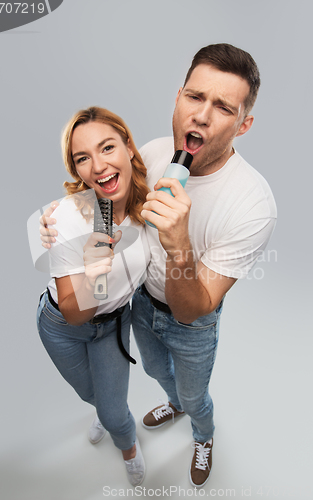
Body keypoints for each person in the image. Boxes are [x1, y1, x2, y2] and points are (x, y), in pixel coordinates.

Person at [40, 43, 277, 488]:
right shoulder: (149, 153)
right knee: (153, 371)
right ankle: (175, 402)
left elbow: (195, 308)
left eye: (222, 107)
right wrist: (58, 221)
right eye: (194, 96)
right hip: (139, 308)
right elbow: (105, 201)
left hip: (192, 324)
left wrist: (180, 247)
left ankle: (202, 433)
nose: (201, 116)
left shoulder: (253, 205)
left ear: (243, 124)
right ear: (178, 98)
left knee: (194, 392)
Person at [36, 106, 150, 486]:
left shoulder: (149, 209)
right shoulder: (68, 217)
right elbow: (73, 312)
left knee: (115, 411)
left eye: (107, 148)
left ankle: (129, 446)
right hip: (60, 326)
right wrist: (90, 272)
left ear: (129, 147)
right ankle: (104, 412)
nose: (98, 166)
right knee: (90, 394)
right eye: (83, 158)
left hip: (114, 324)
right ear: (76, 170)